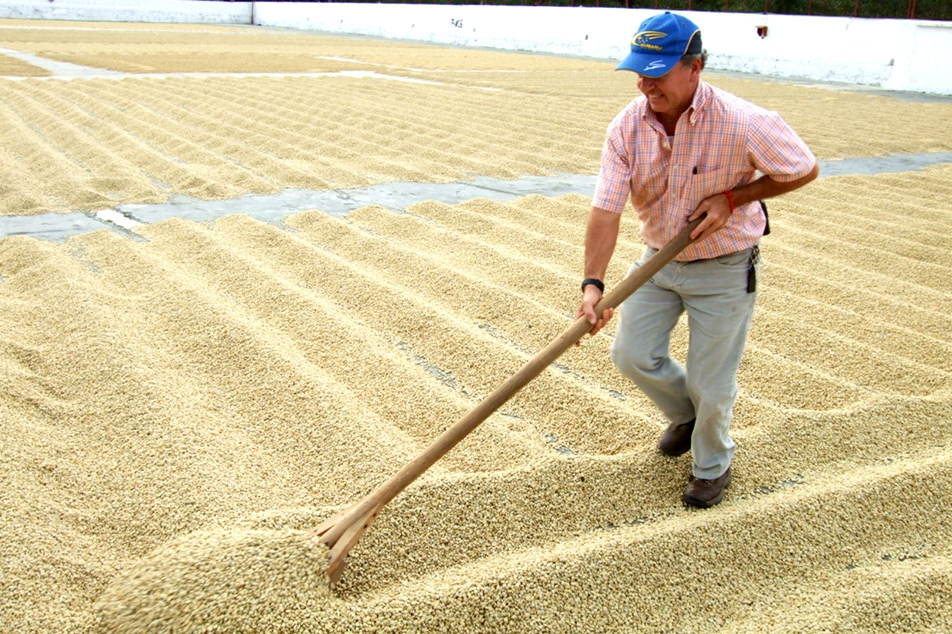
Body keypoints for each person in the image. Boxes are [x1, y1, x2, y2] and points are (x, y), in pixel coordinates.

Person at [577, 12, 818, 508]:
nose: (646, 84)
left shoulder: (743, 120)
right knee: (631, 354)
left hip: (725, 266)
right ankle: (687, 416)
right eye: (640, 71)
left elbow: (803, 167)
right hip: (656, 261)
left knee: (713, 380)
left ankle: (712, 465)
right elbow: (605, 210)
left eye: (658, 72)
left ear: (695, 67)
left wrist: (735, 197)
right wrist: (593, 285)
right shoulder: (626, 127)